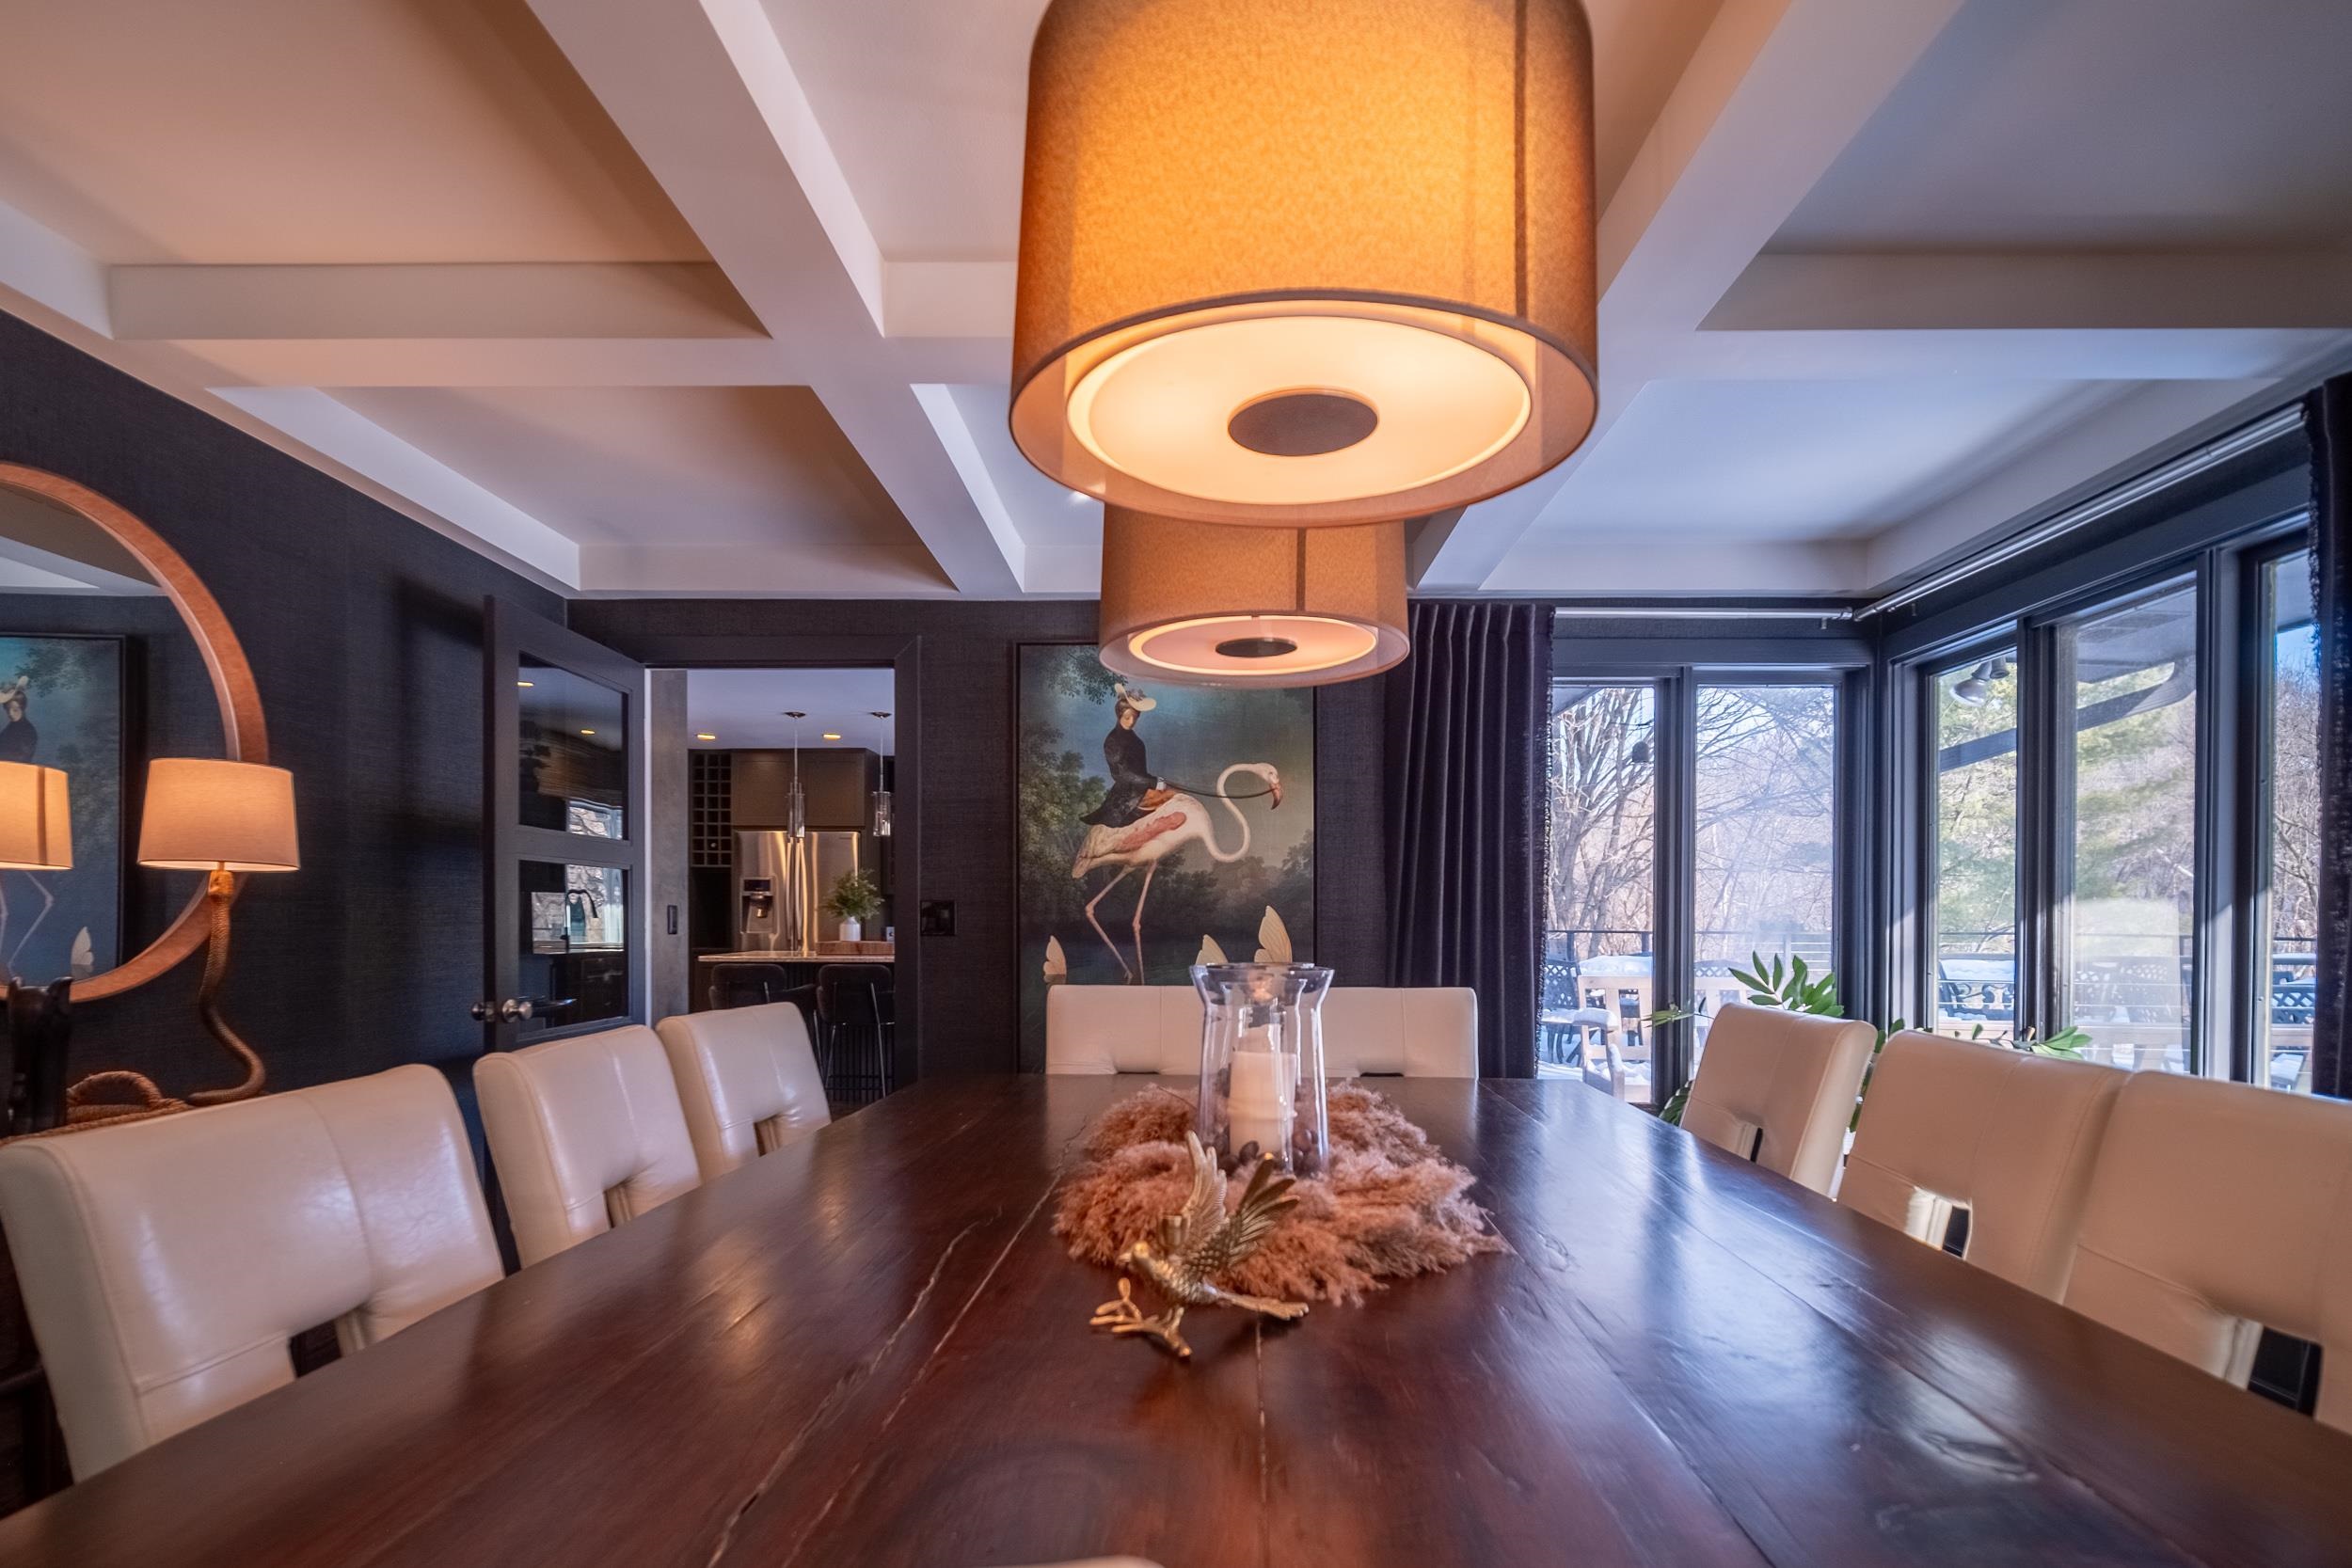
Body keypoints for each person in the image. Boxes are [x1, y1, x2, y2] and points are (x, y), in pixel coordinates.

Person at [1081, 681, 1174, 829]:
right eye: (1127, 717)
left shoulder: (1137, 742)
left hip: (1141, 787)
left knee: (1173, 793)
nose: (1131, 722)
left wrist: (1155, 780)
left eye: (1135, 718)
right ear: (1119, 715)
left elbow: (1140, 771)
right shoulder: (1113, 741)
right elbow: (1123, 775)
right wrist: (1153, 782)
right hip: (1126, 795)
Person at [0, 674, 36, 765]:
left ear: (22, 708)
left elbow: (22, 757)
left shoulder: (28, 730)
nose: (10, 713)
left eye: (15, 710)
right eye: (7, 710)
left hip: (17, 772)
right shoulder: (7, 730)